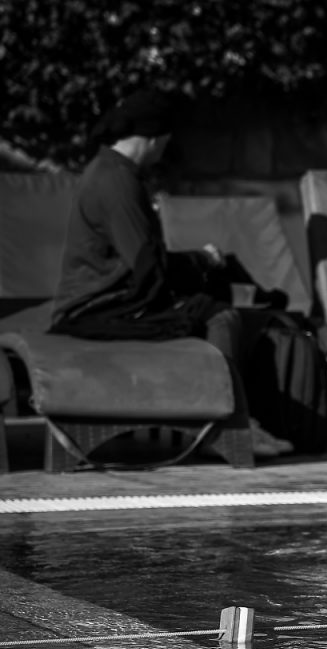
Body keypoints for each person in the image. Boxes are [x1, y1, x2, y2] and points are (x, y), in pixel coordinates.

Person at [50, 88, 292, 457]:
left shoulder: (109, 170)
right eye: (165, 141)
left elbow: (143, 260)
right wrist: (201, 261)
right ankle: (228, 428)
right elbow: (148, 266)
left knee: (215, 300)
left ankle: (230, 418)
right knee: (221, 317)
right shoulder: (117, 181)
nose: (165, 149)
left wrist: (202, 263)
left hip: (112, 300)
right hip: (98, 308)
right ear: (153, 139)